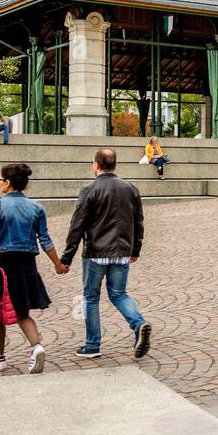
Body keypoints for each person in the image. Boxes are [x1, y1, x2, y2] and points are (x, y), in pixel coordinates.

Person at [0, 162, 65, 374]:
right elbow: (45, 239)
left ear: (7, 183)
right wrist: (57, 263)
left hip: (1, 263)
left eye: (0, 180)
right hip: (27, 265)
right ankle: (37, 346)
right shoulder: (36, 207)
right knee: (22, 311)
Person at [62, 148, 151, 360]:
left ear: (96, 164)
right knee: (119, 294)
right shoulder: (130, 188)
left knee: (91, 297)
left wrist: (67, 257)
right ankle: (139, 324)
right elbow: (138, 221)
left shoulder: (89, 189)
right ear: (114, 164)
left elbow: (77, 225)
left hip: (95, 253)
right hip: (121, 251)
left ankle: (93, 345)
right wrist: (135, 249)